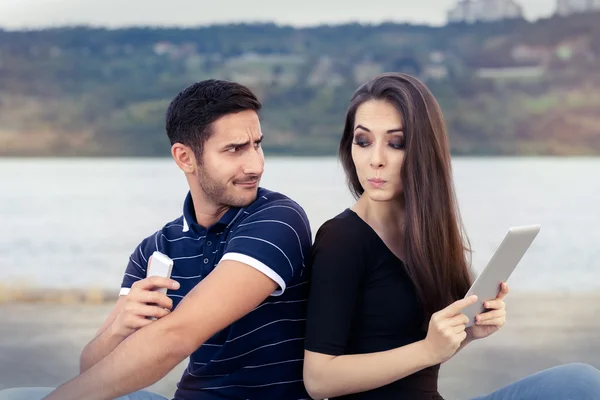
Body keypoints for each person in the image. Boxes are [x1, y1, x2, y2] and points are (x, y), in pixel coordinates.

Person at [0, 79, 312, 400]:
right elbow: (93, 371)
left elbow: (176, 337)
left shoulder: (278, 220)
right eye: (234, 149)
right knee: (14, 396)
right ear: (185, 158)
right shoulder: (157, 248)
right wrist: (121, 326)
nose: (256, 165)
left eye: (257, 144)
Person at [302, 72, 600, 400]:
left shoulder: (427, 234)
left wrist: (467, 333)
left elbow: (421, 359)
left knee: (580, 383)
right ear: (350, 147)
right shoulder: (341, 239)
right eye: (363, 141)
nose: (375, 160)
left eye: (396, 143)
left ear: (423, 150)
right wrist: (428, 349)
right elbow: (319, 379)